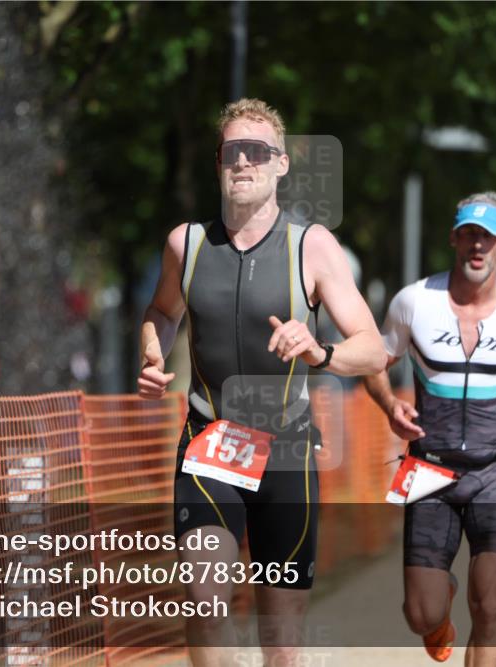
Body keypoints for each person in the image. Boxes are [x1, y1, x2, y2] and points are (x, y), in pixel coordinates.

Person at [137, 98, 385, 666]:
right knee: (203, 601)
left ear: (280, 165)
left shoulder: (313, 246)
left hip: (286, 454)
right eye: (232, 152)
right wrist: (151, 349)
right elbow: (161, 311)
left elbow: (371, 350)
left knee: (281, 639)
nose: (243, 163)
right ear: (218, 163)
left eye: (257, 152)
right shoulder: (186, 244)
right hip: (210, 441)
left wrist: (320, 351)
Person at [362, 192, 496, 666]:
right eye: (469, 235)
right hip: (429, 472)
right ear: (454, 239)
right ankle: (438, 606)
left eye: (488, 237)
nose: (477, 246)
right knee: (421, 613)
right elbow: (376, 360)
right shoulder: (414, 301)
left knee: (490, 603)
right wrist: (387, 402)